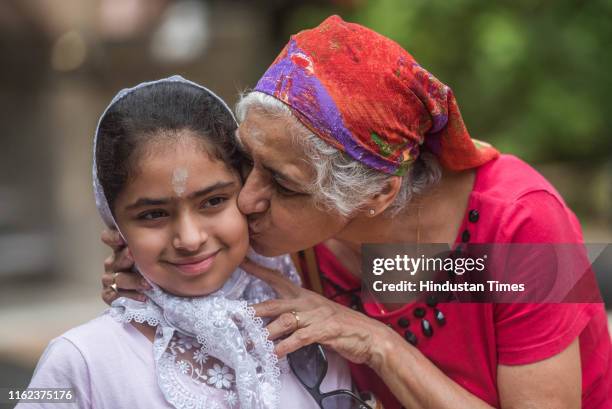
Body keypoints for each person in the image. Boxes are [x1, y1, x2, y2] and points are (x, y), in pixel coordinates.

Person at [102, 17, 611, 409]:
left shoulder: (523, 226)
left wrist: (377, 343)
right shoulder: (294, 233)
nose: (247, 199)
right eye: (247, 162)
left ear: (376, 196)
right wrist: (146, 281)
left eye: (281, 182)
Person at [20, 76, 351, 409]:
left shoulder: (318, 337)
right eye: (153, 215)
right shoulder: (81, 361)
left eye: (213, 201)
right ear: (115, 224)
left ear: (248, 192)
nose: (190, 239)